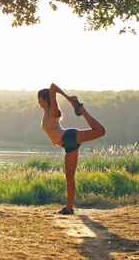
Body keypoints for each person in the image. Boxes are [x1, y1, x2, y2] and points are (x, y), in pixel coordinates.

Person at [38, 83, 106, 215]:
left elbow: (52, 87)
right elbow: (53, 131)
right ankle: (69, 208)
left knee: (100, 131)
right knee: (69, 176)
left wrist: (68, 98)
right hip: (67, 144)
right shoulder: (47, 112)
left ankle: (82, 111)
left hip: (69, 137)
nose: (38, 102)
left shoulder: (52, 111)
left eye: (39, 99)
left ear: (45, 99)